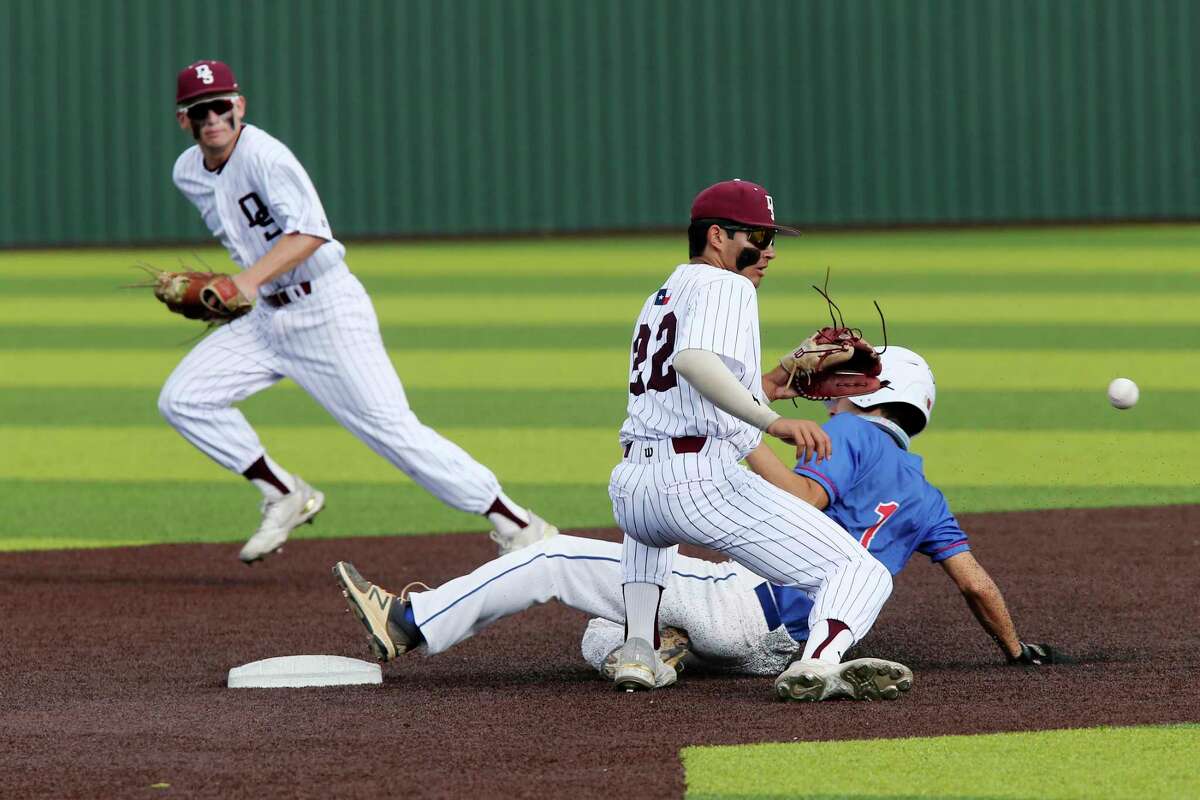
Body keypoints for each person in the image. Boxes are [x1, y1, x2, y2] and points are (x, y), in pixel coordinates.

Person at [330, 346, 1060, 699]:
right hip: (778, 648)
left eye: (850, 385)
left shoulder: (855, 438)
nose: (836, 393)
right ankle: (670, 650)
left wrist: (747, 444)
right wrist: (1014, 648)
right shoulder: (929, 496)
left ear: (878, 395)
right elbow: (976, 584)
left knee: (549, 559)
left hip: (741, 603)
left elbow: (805, 502)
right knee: (607, 628)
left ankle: (411, 621)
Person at [160, 60, 556, 564]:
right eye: (200, 111)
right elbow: (251, 240)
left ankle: (518, 523)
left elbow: (309, 231)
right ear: (183, 121)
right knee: (185, 398)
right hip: (266, 319)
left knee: (392, 430)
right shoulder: (188, 172)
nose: (212, 118)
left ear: (239, 106)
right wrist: (239, 290)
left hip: (325, 310)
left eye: (220, 106)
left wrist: (244, 281)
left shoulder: (267, 158)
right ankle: (284, 493)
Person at [607, 179, 907, 700]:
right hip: (697, 484)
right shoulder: (728, 287)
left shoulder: (665, 293)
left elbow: (699, 388)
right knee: (859, 570)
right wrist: (773, 421)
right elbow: (695, 362)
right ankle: (817, 664)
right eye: (757, 237)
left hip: (633, 488)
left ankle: (637, 648)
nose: (768, 252)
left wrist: (781, 377)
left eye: (773, 240)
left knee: (652, 536)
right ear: (717, 236)